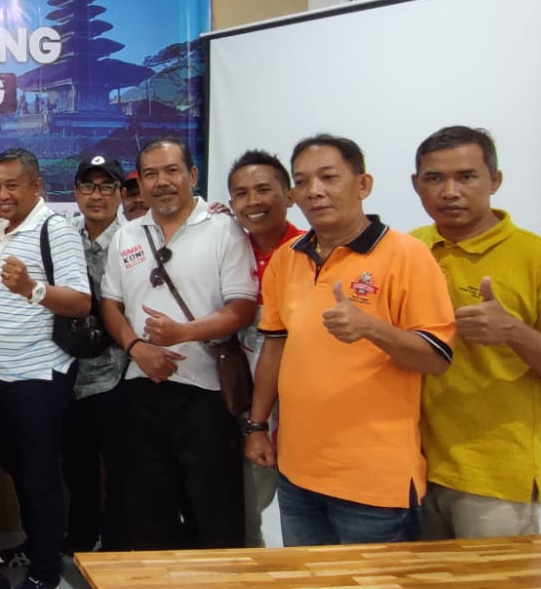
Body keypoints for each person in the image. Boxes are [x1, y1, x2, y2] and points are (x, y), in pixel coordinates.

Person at [245, 134, 455, 546]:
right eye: (302, 181)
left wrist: (371, 328)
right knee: (307, 584)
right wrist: (256, 425)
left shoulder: (407, 255)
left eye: (329, 177)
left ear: (363, 185)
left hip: (373, 482)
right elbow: (275, 347)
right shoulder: (287, 258)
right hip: (297, 471)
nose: (314, 191)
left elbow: (437, 358)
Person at [410, 126, 541, 539]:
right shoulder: (410, 249)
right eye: (434, 178)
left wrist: (513, 331)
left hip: (494, 478)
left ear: (494, 180)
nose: (449, 192)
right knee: (418, 583)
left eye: (466, 176)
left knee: (496, 583)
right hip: (413, 468)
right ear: (416, 184)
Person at [99, 139, 256, 551]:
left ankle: (217, 588)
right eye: (150, 174)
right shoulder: (126, 235)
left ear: (192, 175)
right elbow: (110, 304)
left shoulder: (224, 229)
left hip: (207, 392)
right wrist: (137, 348)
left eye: (171, 171)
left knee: (214, 508)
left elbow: (242, 307)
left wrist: (183, 333)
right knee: (147, 507)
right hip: (141, 387)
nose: (161, 182)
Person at [0, 148, 92, 589]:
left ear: (36, 186)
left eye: (12, 185)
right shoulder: (4, 229)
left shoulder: (53, 229)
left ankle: (46, 576)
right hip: (7, 376)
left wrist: (31, 288)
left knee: (40, 477)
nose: (2, 194)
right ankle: (33, 545)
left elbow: (81, 301)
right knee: (20, 471)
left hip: (39, 375)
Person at [226, 150, 305, 548]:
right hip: (244, 397)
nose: (252, 202)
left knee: (300, 511)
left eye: (263, 190)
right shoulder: (230, 246)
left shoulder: (310, 252)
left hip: (300, 404)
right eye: (241, 194)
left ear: (289, 195)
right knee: (245, 505)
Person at [63, 153, 129, 556]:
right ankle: (81, 539)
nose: (96, 195)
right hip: (69, 372)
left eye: (106, 187)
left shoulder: (135, 239)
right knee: (77, 464)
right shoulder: (63, 235)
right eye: (88, 186)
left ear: (120, 193)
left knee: (120, 468)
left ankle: (115, 546)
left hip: (118, 373)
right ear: (75, 192)